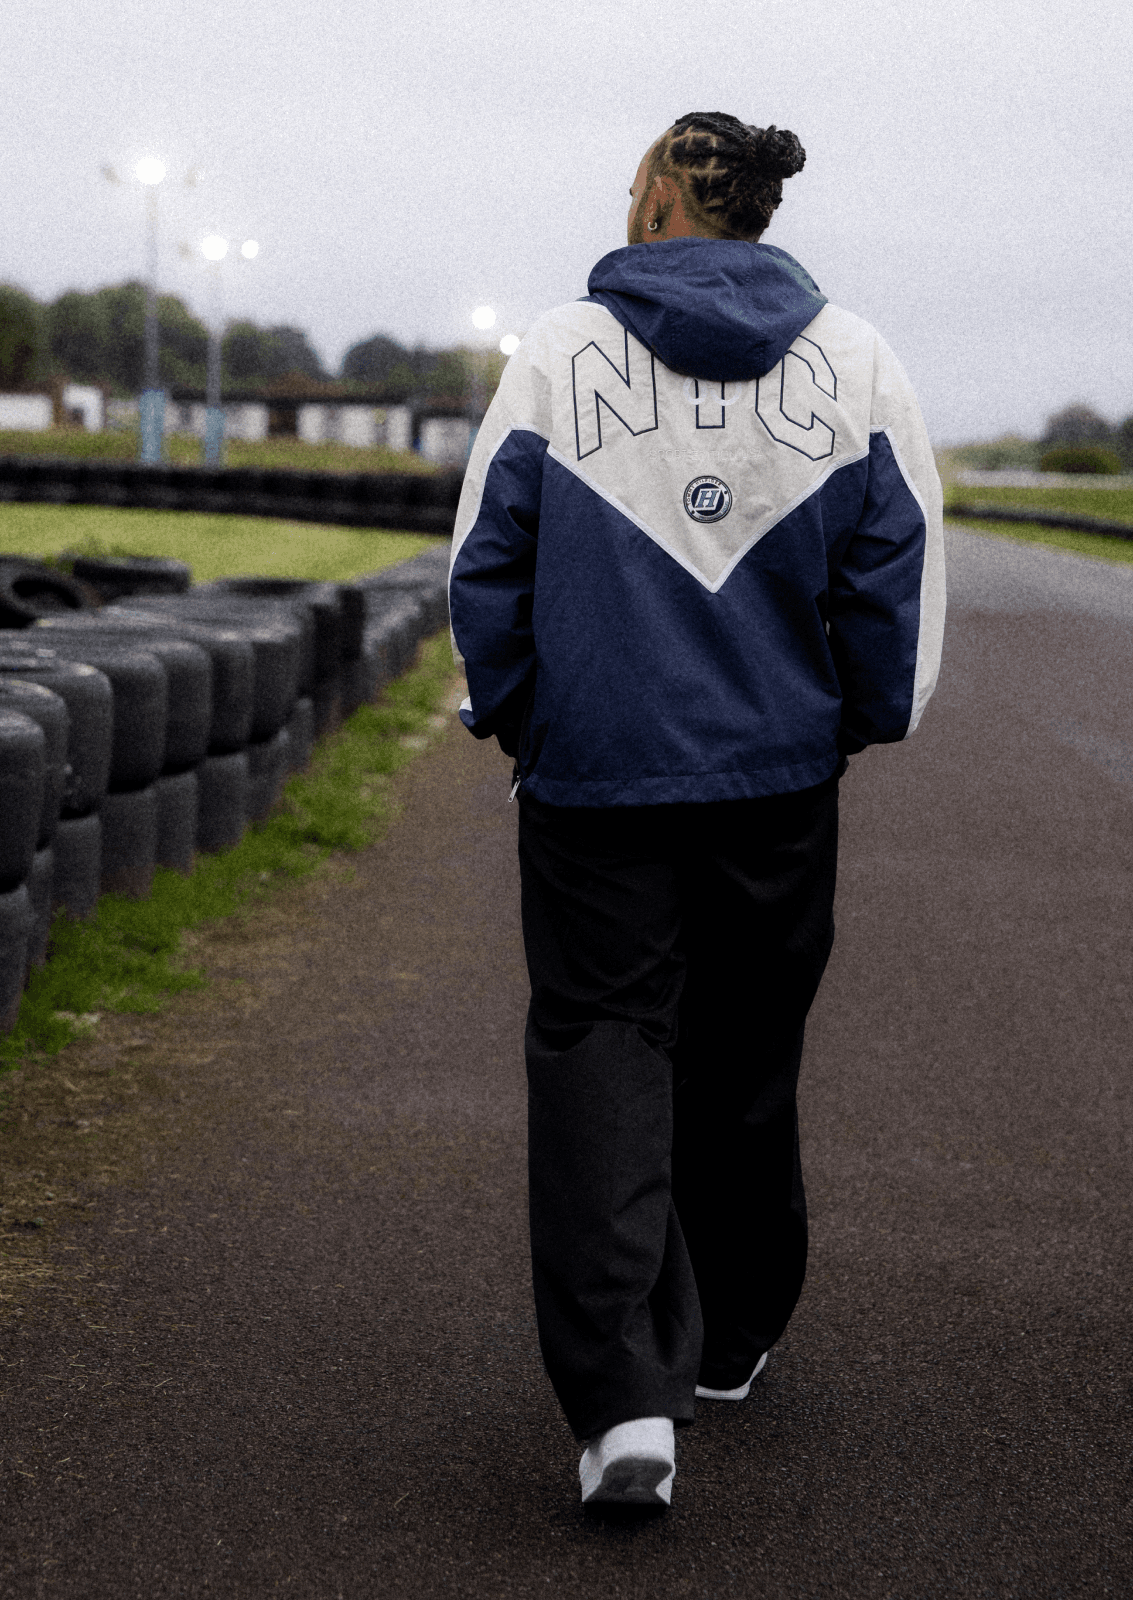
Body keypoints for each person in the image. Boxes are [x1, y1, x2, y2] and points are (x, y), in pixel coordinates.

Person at [448, 111, 945, 1506]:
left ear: (665, 197)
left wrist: (516, 715)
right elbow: (895, 583)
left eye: (628, 186)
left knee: (604, 1046)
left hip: (596, 778)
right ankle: (729, 1335)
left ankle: (622, 1407)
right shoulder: (855, 357)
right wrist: (844, 724)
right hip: (777, 779)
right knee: (742, 1046)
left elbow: (483, 560)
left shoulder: (558, 349)